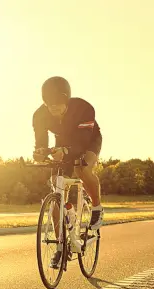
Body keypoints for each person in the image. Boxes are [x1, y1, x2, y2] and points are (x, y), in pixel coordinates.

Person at [31, 76, 104, 269]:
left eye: (58, 105)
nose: (53, 109)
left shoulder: (84, 108)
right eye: (49, 105)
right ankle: (61, 246)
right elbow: (41, 142)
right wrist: (40, 152)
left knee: (82, 167)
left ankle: (97, 207)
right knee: (56, 188)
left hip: (88, 140)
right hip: (62, 142)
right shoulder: (39, 115)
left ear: (67, 100)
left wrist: (66, 152)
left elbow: (81, 143)